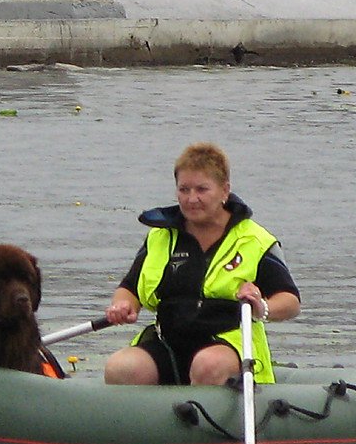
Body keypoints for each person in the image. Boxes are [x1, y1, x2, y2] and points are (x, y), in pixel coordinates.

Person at [103, 142, 301, 386]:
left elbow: (291, 301)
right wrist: (122, 305)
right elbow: (130, 288)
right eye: (184, 190)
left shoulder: (255, 240)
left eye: (201, 190)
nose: (191, 199)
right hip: (169, 341)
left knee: (206, 365)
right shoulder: (161, 237)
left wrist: (262, 306)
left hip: (228, 342)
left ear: (224, 191)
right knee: (120, 368)